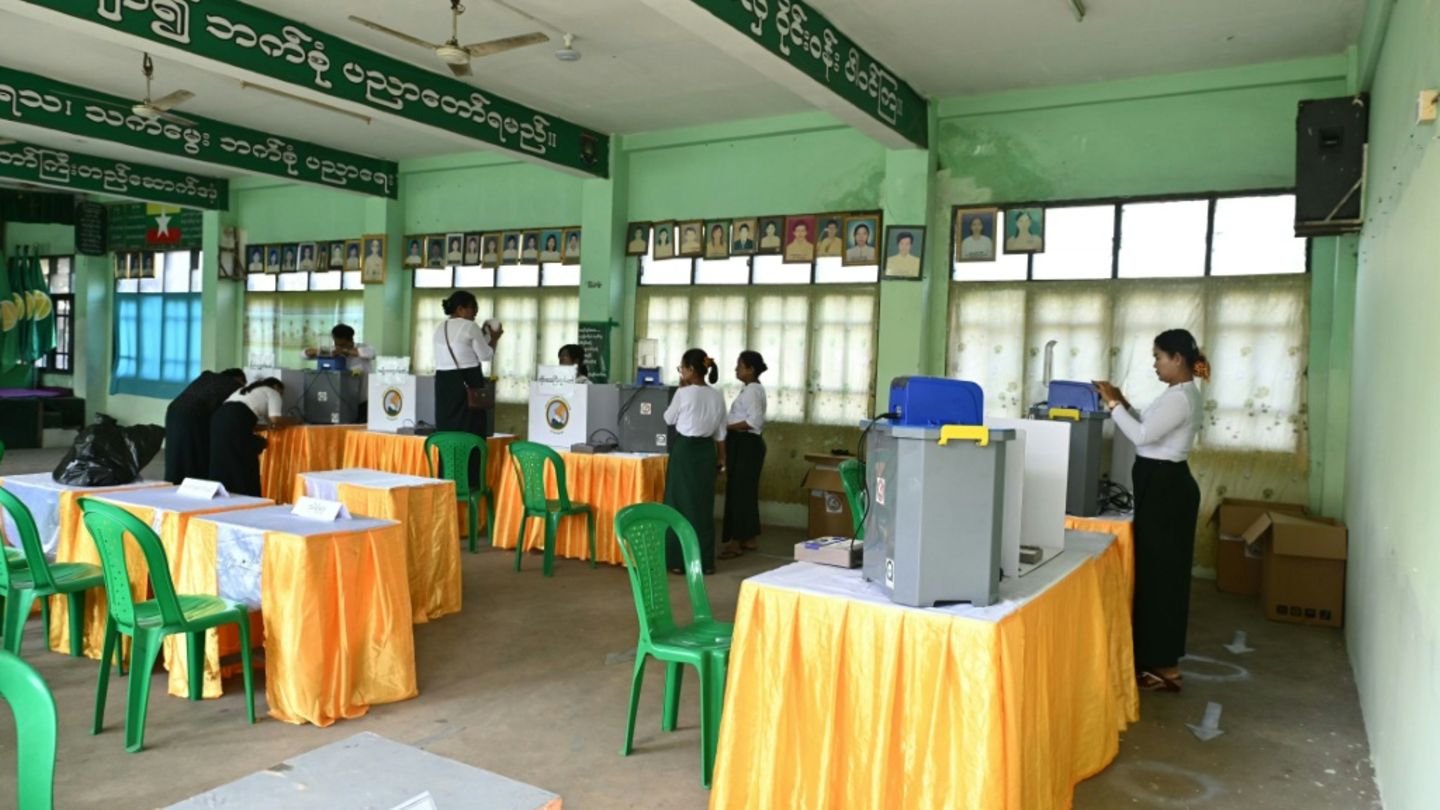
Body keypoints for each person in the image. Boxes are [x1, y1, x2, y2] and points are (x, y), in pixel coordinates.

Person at [1093, 329, 1208, 693]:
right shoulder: (1178, 393)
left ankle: (1164, 667)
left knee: (1162, 579)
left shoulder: (1182, 397)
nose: (1155, 364)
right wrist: (1123, 402)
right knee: (1157, 576)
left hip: (1166, 490)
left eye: (1159, 357)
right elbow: (1148, 423)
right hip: (1161, 486)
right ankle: (1157, 660)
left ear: (1177, 358)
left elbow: (1142, 436)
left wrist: (1113, 406)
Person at [663, 348, 727, 575]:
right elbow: (720, 432)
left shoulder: (684, 393)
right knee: (702, 505)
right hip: (706, 451)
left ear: (690, 370)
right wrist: (721, 458)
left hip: (685, 450)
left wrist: (681, 392)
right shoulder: (717, 395)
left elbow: (668, 418)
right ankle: (705, 562)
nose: (681, 372)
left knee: (678, 504)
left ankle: (678, 561)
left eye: (682, 368)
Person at [433, 291, 501, 447]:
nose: (475, 312)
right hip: (468, 381)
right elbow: (485, 355)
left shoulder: (439, 327)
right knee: (471, 430)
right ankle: (470, 470)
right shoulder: (469, 326)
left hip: (444, 383)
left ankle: (449, 468)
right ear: (459, 309)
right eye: (472, 307)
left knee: (448, 430)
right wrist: (494, 338)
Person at [209, 377, 294, 497]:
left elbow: (249, 422)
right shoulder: (273, 392)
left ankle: (224, 496)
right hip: (236, 420)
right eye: (282, 392)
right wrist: (296, 420)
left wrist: (266, 428)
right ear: (276, 387)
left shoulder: (246, 390)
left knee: (223, 460)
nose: (281, 396)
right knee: (244, 460)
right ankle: (246, 498)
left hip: (219, 418)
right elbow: (276, 421)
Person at [719, 351, 767, 560]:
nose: (736, 370)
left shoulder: (753, 391)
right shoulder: (749, 389)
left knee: (739, 492)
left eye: (740, 366)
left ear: (751, 369)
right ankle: (748, 537)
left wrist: (726, 426)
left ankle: (736, 542)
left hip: (746, 444)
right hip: (742, 443)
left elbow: (753, 422)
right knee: (744, 492)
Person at [164, 368, 246, 485]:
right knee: (195, 451)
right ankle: (193, 483)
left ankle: (175, 481)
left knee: (177, 450)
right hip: (192, 415)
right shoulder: (232, 384)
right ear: (238, 379)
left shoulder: (209, 379)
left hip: (174, 411)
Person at [304, 324, 375, 373]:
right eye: (336, 343)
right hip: (340, 388)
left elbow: (371, 353)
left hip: (365, 389)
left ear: (350, 340)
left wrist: (343, 351)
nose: (338, 346)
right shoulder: (334, 350)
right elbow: (304, 354)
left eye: (343, 345)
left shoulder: (364, 347)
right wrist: (321, 352)